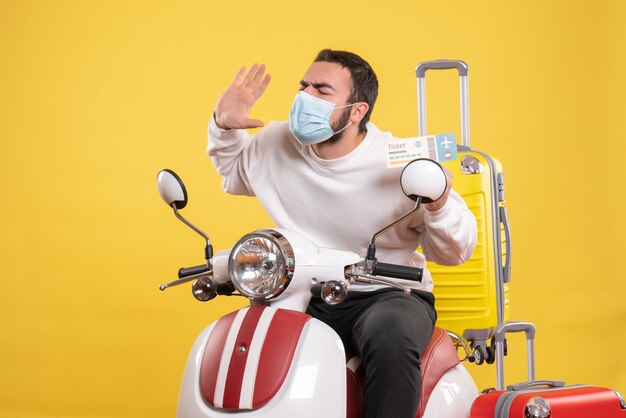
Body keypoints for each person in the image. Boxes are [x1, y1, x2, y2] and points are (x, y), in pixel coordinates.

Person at [207, 49, 477, 418]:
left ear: (357, 111)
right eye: (303, 86)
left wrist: (439, 201)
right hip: (300, 288)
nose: (305, 98)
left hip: (384, 294)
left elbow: (455, 251)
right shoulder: (276, 142)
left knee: (389, 336)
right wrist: (224, 125)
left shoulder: (396, 161)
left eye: (322, 90)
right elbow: (235, 171)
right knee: (251, 340)